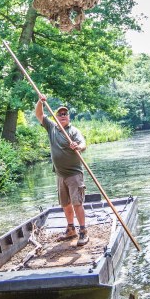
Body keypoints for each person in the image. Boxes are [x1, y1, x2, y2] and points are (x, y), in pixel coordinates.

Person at [35, 95, 88, 246]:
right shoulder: (52, 127)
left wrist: (78, 147)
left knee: (77, 203)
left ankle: (83, 231)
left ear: (69, 117)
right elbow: (39, 114)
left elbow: (83, 143)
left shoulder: (73, 131)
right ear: (56, 117)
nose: (63, 116)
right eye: (60, 114)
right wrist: (41, 102)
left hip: (74, 174)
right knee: (65, 204)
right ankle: (71, 229)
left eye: (65, 114)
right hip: (60, 175)